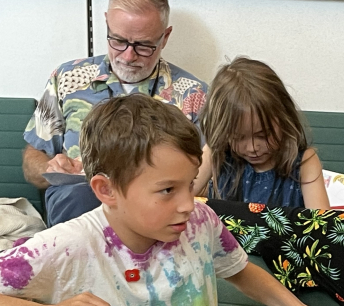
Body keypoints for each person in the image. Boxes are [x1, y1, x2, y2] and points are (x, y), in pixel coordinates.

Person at [0, 94, 341, 306]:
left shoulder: (201, 221)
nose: (187, 205)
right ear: (107, 189)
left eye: (190, 184)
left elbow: (239, 269)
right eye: (166, 190)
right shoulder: (66, 245)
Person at [22, 0, 211, 226]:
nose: (128, 56)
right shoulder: (68, 78)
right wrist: (51, 168)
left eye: (143, 46)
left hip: (156, 209)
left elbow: (203, 179)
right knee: (80, 197)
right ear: (106, 24)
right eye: (118, 41)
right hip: (79, 204)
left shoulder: (194, 94)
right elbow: (31, 162)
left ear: (165, 37)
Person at [198, 57, 330, 209]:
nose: (252, 148)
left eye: (263, 135)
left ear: (284, 118)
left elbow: (323, 225)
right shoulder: (217, 154)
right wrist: (211, 149)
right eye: (238, 138)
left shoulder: (304, 162)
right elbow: (182, 193)